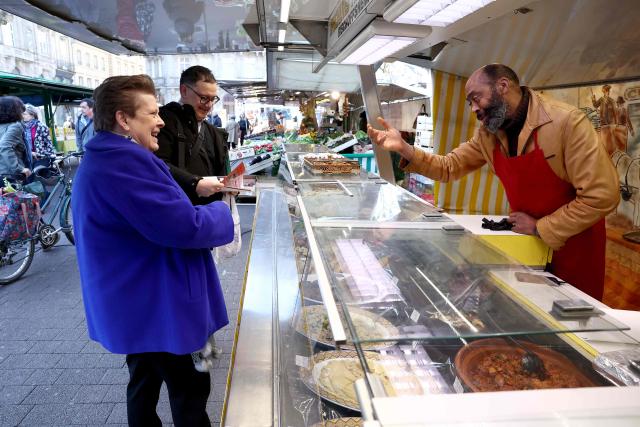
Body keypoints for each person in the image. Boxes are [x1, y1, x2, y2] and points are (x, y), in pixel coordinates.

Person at [367, 63, 619, 300]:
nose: (474, 109)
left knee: (573, 331)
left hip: (574, 248)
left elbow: (602, 195)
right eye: (470, 103)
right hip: (526, 246)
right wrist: (405, 149)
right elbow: (449, 167)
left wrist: (542, 227)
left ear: (503, 86)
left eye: (476, 98)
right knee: (531, 319)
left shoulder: (567, 123)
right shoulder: (489, 134)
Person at [72, 74, 234, 427]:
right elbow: (182, 226)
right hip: (156, 303)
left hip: (137, 300)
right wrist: (222, 211)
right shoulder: (123, 164)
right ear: (123, 119)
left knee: (144, 384)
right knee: (190, 388)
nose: (161, 121)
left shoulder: (109, 158)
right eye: (152, 113)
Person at [155, 65, 229, 206]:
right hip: (179, 210)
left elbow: (221, 173)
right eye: (203, 98)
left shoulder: (213, 132)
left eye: (213, 99)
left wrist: (230, 186)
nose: (209, 105)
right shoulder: (163, 122)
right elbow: (156, 164)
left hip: (210, 214)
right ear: (184, 91)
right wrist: (195, 183)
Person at [0, 96, 32, 181]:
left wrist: (28, 152)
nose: (22, 114)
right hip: (10, 175)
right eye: (21, 111)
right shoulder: (16, 126)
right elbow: (4, 146)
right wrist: (19, 168)